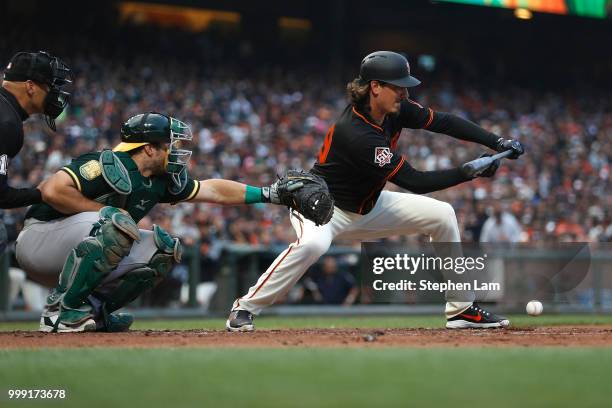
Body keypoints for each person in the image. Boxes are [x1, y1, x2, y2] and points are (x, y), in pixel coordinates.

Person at [226, 51, 524, 331]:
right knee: (312, 246)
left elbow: (444, 122)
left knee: (442, 214)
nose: (405, 94)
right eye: (399, 87)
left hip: (368, 205)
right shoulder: (357, 133)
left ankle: (461, 309)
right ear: (376, 87)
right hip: (323, 208)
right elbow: (415, 181)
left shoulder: (394, 110)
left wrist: (496, 142)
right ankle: (245, 307)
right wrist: (466, 173)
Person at [15, 112, 299, 333]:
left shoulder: (159, 180)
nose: (173, 151)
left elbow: (213, 190)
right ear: (148, 149)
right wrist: (104, 211)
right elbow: (51, 190)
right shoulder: (106, 163)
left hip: (76, 249)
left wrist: (268, 194)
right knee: (116, 223)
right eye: (168, 145)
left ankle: (92, 313)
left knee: (162, 249)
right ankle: (59, 312)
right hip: (38, 241)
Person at [0, 51, 73, 251]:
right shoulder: (7, 123)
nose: (54, 93)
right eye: (49, 86)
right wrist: (41, 193)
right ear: (30, 86)